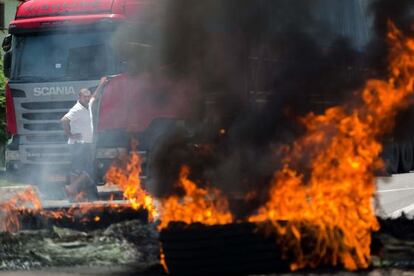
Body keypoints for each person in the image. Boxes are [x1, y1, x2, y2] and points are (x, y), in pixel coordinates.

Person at [61, 77, 109, 201]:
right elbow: (64, 120)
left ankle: (74, 196)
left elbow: (95, 96)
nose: (87, 98)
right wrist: (70, 134)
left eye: (88, 96)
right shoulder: (77, 109)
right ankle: (71, 188)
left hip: (83, 144)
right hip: (78, 144)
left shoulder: (88, 105)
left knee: (76, 170)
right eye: (85, 97)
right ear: (80, 97)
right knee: (88, 171)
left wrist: (101, 84)